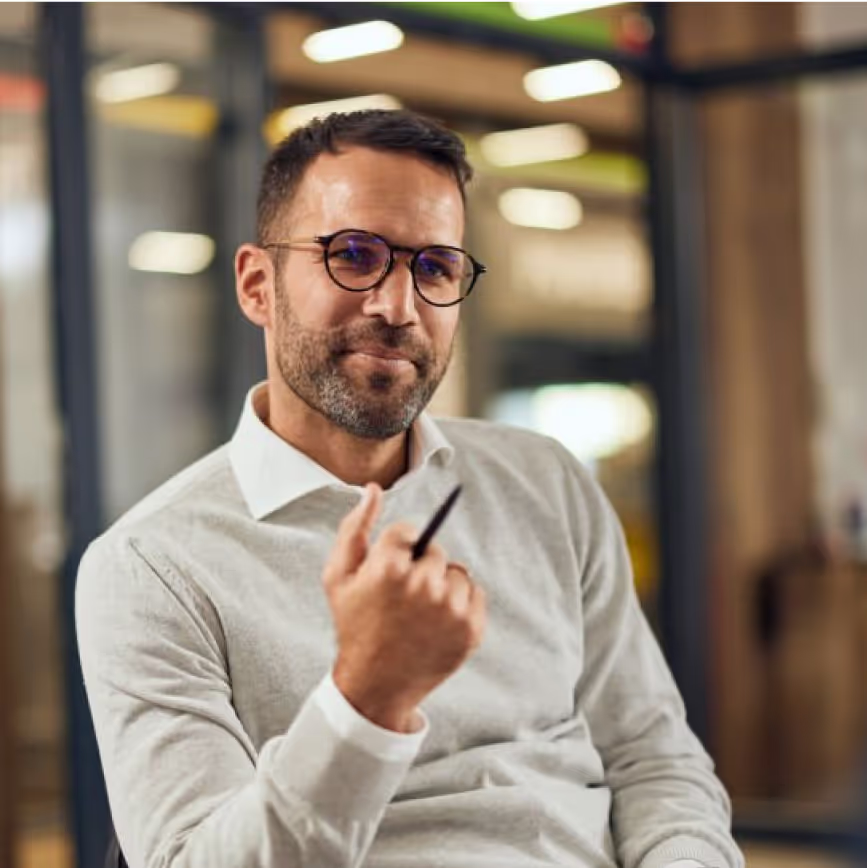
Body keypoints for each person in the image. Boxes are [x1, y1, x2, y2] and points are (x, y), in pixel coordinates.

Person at [76, 109, 743, 868]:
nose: (397, 308)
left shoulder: (546, 483)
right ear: (258, 286)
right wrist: (368, 696)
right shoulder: (152, 566)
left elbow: (654, 759)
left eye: (435, 268)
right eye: (354, 256)